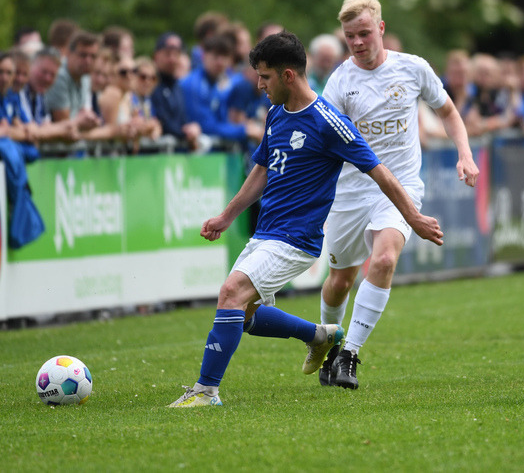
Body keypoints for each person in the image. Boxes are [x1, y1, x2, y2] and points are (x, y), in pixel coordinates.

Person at [168, 31, 444, 407]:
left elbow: (380, 172)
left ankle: (205, 392)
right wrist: (227, 216)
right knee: (246, 314)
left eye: (265, 76)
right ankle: (319, 335)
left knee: (230, 294)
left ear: (288, 76)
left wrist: (413, 218)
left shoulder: (328, 122)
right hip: (266, 232)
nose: (259, 84)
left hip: (296, 238)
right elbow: (261, 171)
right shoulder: (276, 113)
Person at [314, 0, 479, 390]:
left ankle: (350, 354)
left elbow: (448, 112)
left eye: (364, 33)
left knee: (385, 259)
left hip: (400, 187)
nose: (357, 43)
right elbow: (322, 139)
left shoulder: (413, 68)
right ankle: (331, 347)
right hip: (351, 191)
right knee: (339, 280)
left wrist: (465, 154)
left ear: (381, 29)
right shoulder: (340, 81)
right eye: (350, 36)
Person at [151, 31, 202, 151]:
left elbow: (182, 119)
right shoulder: (151, 83)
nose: (172, 59)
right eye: (168, 54)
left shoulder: (177, 87)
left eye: (176, 54)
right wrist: (185, 133)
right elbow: (162, 121)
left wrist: (191, 129)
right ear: (156, 55)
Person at [45, 30, 101, 132]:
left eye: (93, 56)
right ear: (68, 53)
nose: (88, 61)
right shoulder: (59, 75)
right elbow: (64, 124)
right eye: (83, 55)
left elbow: (86, 114)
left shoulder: (85, 76)